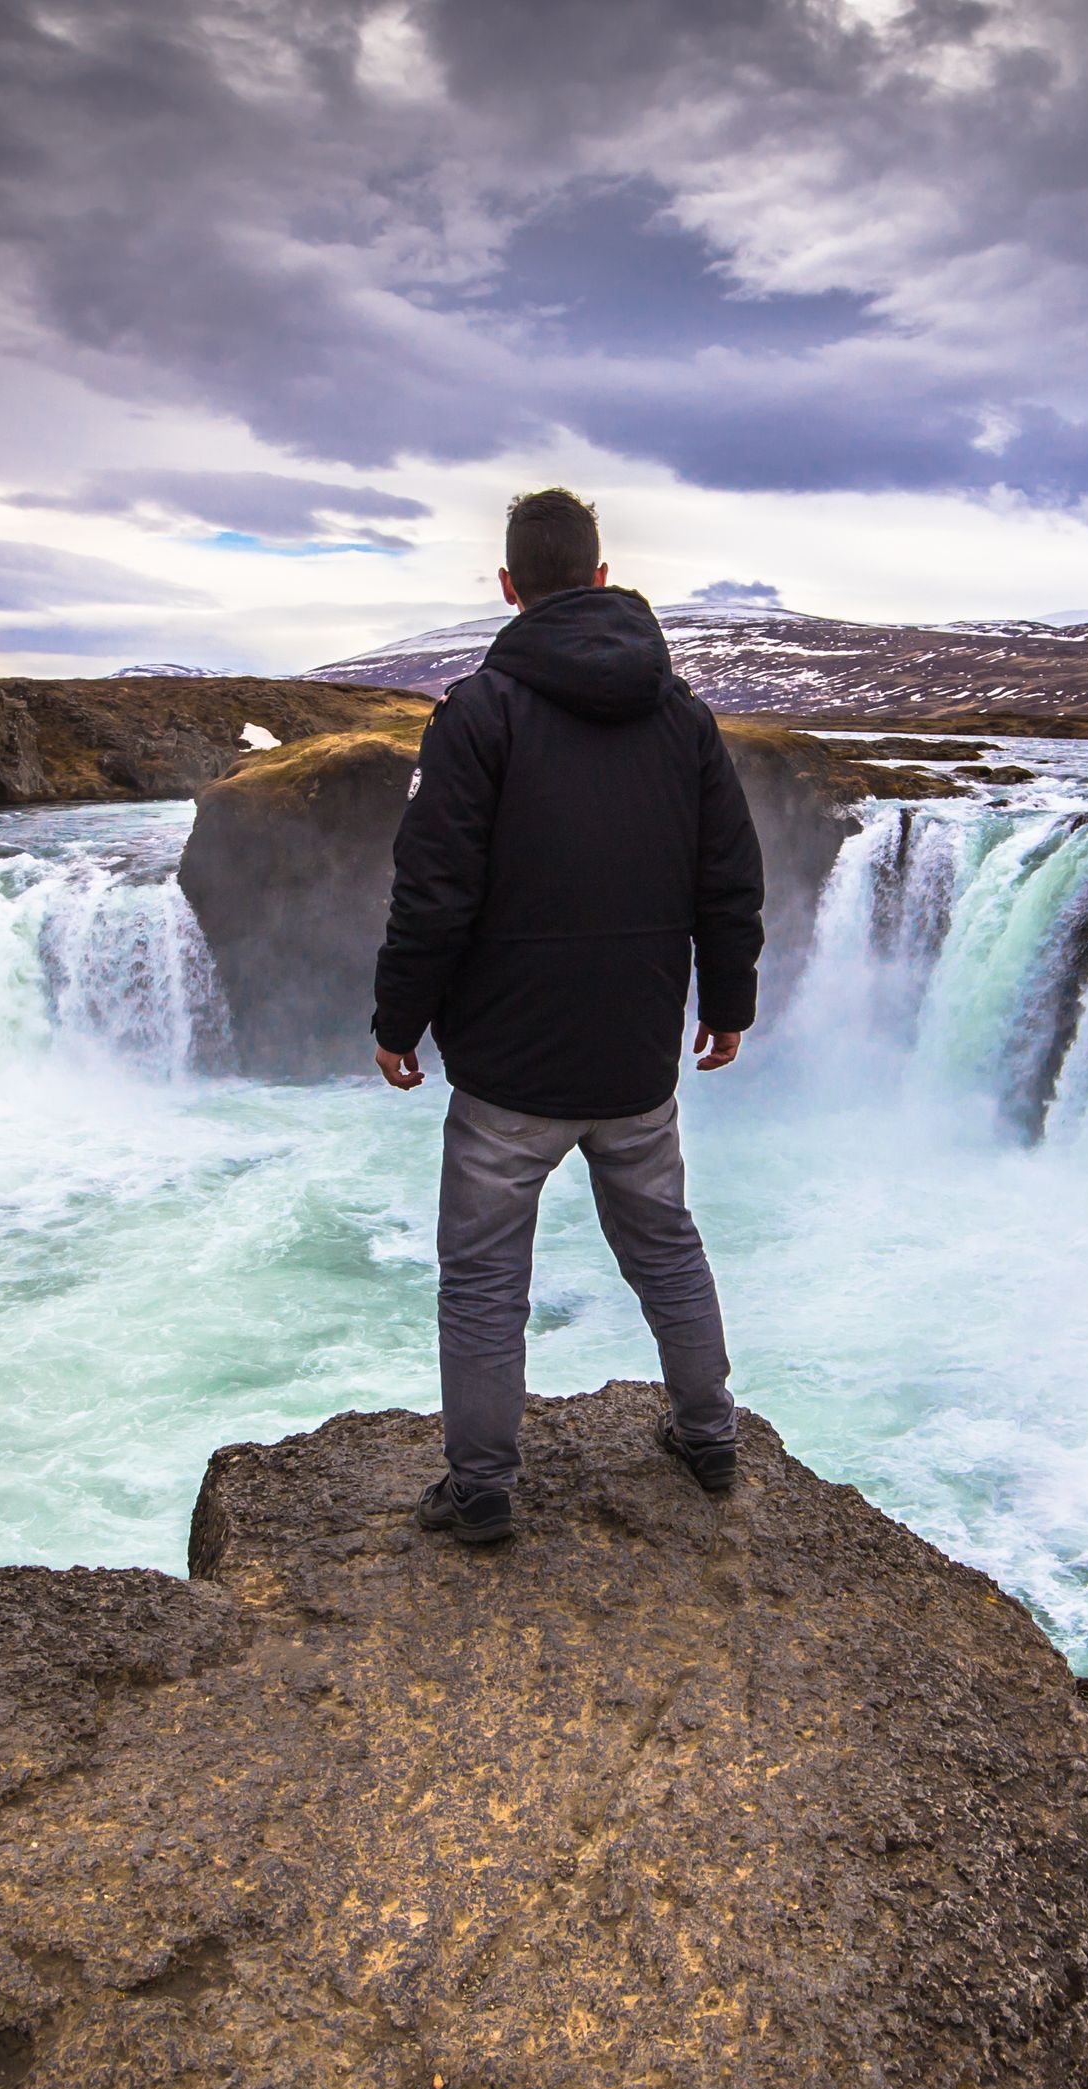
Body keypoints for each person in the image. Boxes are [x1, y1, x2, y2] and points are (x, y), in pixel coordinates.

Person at [370, 488, 765, 1546]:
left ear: (508, 585)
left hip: (506, 1066)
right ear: (598, 576)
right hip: (635, 1054)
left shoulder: (479, 712)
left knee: (485, 1277)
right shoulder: (680, 717)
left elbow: (433, 889)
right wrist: (726, 1002)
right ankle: (707, 1433)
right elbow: (727, 876)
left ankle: (482, 1486)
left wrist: (396, 1018)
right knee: (666, 1247)